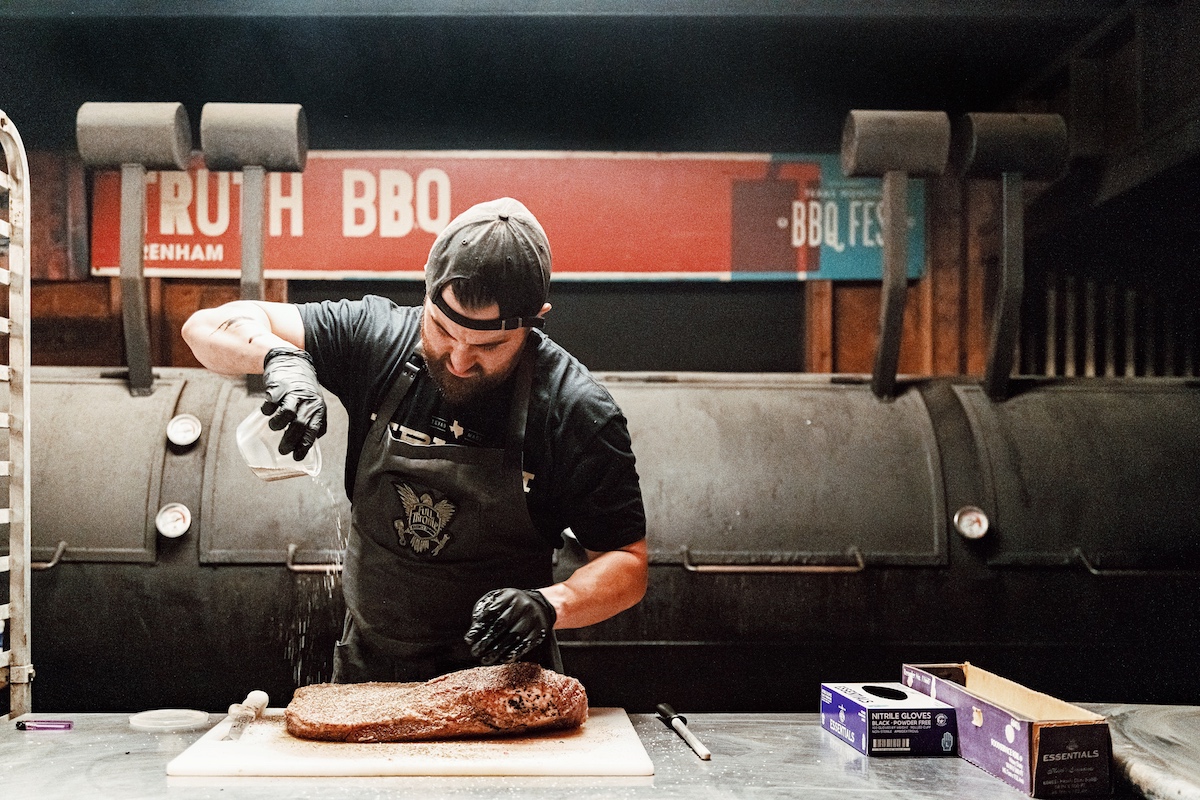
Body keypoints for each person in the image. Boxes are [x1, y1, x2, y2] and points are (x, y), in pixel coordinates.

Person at [183, 197, 648, 684]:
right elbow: (203, 327)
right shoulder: (376, 338)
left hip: (504, 684)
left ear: (538, 317)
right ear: (425, 291)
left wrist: (550, 604)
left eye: (489, 347)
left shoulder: (576, 410)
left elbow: (626, 564)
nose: (460, 361)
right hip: (369, 673)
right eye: (443, 332)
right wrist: (280, 357)